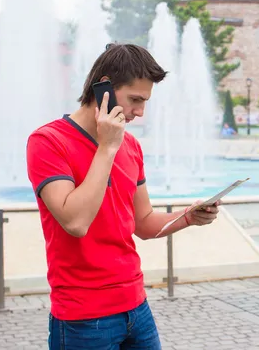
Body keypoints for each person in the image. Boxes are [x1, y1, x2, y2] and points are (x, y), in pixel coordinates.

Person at [26, 43, 220, 349]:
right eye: (135, 100)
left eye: (145, 102)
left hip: (136, 307)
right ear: (103, 88)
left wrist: (189, 218)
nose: (140, 112)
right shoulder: (48, 141)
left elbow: (141, 223)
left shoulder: (131, 146)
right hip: (83, 318)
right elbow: (76, 222)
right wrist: (106, 147)